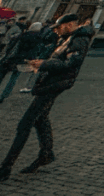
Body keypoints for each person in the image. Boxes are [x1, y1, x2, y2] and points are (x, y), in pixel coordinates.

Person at [0, 14, 93, 182]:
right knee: (40, 118)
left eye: (59, 27)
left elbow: (71, 63)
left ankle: (6, 167)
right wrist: (42, 63)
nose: (56, 31)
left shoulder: (80, 39)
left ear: (70, 25)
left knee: (25, 124)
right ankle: (46, 153)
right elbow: (57, 57)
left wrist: (44, 64)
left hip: (55, 84)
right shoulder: (68, 38)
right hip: (50, 82)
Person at [0, 22, 41, 102]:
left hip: (13, 58)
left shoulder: (24, 35)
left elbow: (15, 46)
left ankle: (3, 94)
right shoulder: (38, 38)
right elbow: (35, 51)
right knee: (13, 78)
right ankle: (4, 95)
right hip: (23, 60)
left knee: (2, 74)